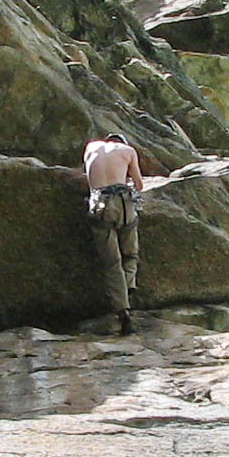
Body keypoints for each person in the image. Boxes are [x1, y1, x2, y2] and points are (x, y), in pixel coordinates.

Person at [83, 133, 144, 335]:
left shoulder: (91, 147)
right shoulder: (128, 151)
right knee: (130, 253)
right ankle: (129, 287)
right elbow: (139, 184)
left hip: (99, 204)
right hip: (122, 202)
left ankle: (122, 309)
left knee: (111, 262)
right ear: (122, 143)